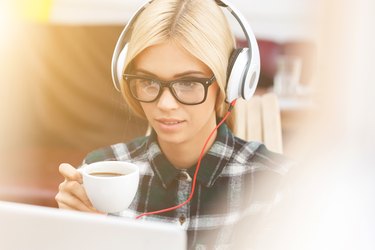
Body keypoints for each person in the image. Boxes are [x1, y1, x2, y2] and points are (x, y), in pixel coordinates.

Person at [55, 0, 290, 249]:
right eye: (148, 81)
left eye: (188, 83)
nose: (165, 104)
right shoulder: (97, 177)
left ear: (229, 83)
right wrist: (83, 234)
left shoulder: (278, 185)